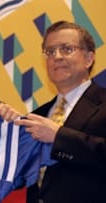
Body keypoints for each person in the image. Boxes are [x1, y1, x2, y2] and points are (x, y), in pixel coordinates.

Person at [15, 21, 106, 203]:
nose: (57, 56)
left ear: (89, 58)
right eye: (50, 52)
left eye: (66, 49)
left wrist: (59, 137)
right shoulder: (37, 115)